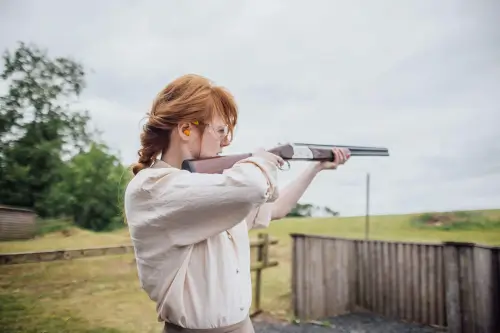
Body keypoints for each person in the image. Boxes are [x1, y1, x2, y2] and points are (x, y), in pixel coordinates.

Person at [123, 74, 350, 333]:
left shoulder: (212, 188)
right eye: (220, 130)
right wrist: (262, 159)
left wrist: (316, 168)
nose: (226, 141)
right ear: (186, 129)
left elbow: (277, 208)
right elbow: (252, 185)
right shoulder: (152, 187)